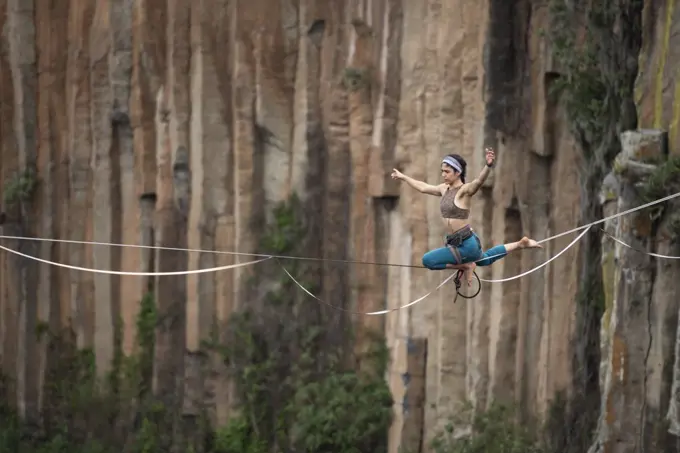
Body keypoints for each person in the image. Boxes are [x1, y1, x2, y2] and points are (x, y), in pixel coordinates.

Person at [391, 147, 542, 285]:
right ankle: (520, 244)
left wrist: (488, 166)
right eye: (442, 171)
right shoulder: (444, 189)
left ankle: (466, 265)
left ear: (458, 172)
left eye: (447, 172)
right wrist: (403, 177)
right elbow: (423, 187)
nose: (443, 175)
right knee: (484, 259)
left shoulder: (464, 191)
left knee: (428, 260)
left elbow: (478, 182)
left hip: (466, 245)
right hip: (462, 243)